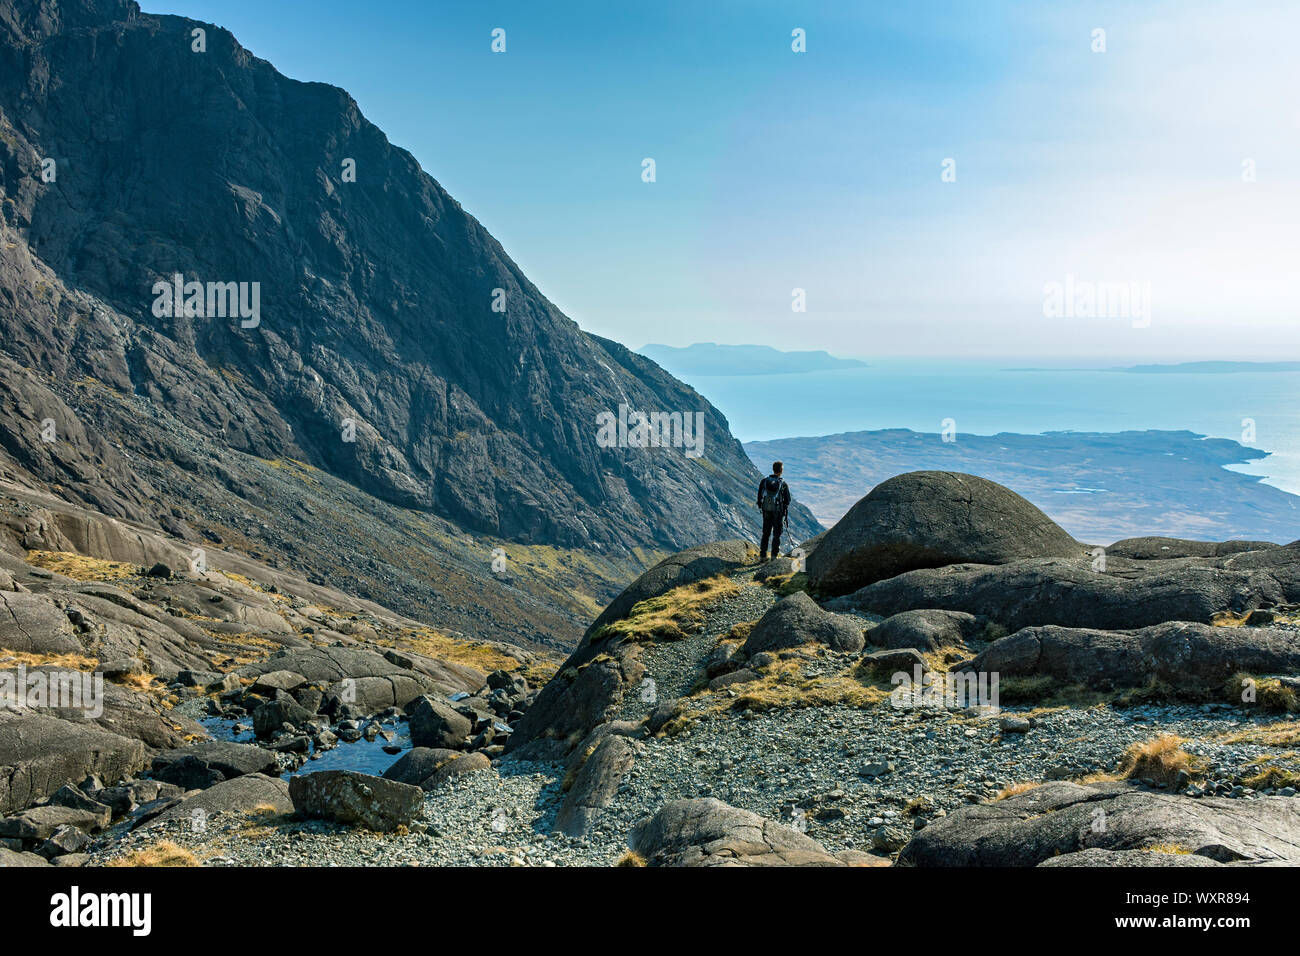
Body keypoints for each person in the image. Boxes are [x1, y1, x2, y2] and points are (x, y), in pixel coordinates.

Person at [756, 461, 791, 561]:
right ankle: (774, 557)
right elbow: (787, 500)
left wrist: (761, 506)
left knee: (765, 533)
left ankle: (762, 556)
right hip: (778, 512)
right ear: (781, 470)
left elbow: (759, 496)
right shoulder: (783, 484)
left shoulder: (764, 481)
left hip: (766, 510)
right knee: (776, 535)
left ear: (773, 469)